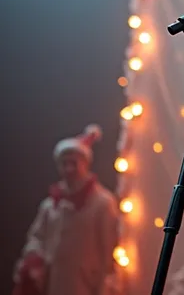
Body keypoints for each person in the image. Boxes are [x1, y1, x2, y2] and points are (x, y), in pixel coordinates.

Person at [13, 125, 120, 295]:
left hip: (85, 286)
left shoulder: (102, 203)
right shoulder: (51, 205)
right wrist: (35, 260)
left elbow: (109, 250)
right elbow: (37, 236)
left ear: (85, 163)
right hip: (53, 284)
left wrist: (103, 286)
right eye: (64, 164)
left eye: (74, 163)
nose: (69, 169)